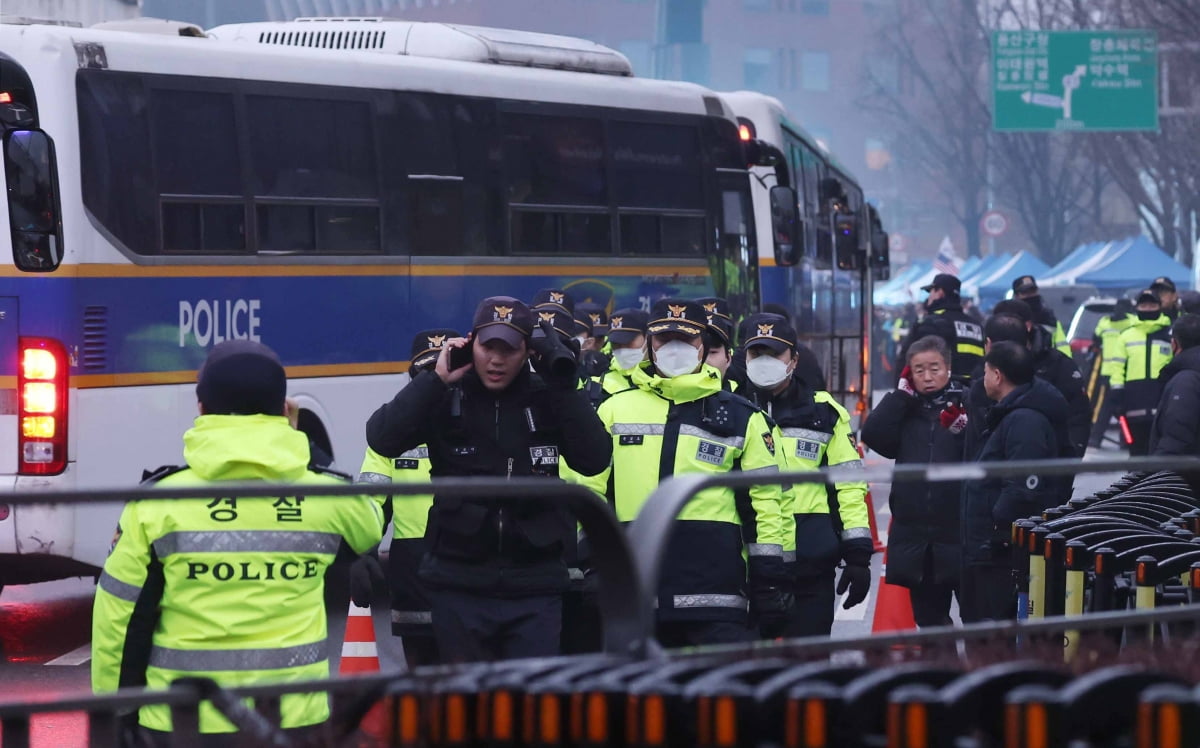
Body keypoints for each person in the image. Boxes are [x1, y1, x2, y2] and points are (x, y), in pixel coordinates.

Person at [92, 341, 384, 744]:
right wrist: (304, 449)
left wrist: (117, 711)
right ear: (286, 410)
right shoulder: (326, 498)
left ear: (200, 410)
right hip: (294, 719)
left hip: (180, 724)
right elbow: (369, 525)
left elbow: (119, 621)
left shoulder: (157, 504)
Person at [365, 296, 612, 662]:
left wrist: (564, 385)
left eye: (509, 349)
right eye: (488, 347)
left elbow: (594, 459)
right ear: (470, 343)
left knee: (529, 707)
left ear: (528, 350)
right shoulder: (448, 393)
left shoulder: (547, 397)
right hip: (458, 582)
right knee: (470, 707)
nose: (496, 360)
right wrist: (434, 380)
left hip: (535, 583)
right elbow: (382, 438)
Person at [578, 299, 792, 647]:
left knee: (713, 698)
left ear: (702, 346)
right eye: (664, 340)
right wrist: (591, 563)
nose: (674, 349)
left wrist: (769, 581)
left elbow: (767, 504)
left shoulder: (743, 418)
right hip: (634, 593)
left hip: (716, 599)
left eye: (686, 340)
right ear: (649, 346)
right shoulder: (613, 410)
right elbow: (588, 491)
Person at [741, 312, 872, 637]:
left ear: (794, 360)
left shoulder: (824, 413)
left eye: (774, 353)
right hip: (748, 568)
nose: (765, 361)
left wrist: (858, 555)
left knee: (810, 665)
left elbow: (849, 486)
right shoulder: (730, 409)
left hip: (811, 565)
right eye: (757, 353)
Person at [356, 328, 459, 668]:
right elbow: (372, 497)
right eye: (424, 372)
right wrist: (363, 550)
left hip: (469, 566)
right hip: (413, 573)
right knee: (422, 684)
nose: (434, 381)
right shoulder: (393, 429)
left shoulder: (482, 418)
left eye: (440, 369)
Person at [961, 341, 1069, 623]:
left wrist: (996, 529)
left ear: (997, 375)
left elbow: (1022, 487)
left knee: (993, 631)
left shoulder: (1025, 421)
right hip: (992, 548)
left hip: (1000, 553)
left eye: (985, 371)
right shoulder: (1012, 413)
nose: (982, 379)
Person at [861, 335, 965, 627]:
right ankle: (941, 671)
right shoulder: (905, 408)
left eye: (934, 368)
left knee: (976, 616)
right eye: (919, 371)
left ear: (948, 367)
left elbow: (986, 453)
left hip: (959, 532)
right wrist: (900, 397)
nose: (928, 377)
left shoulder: (968, 401)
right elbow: (874, 435)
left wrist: (964, 432)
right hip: (917, 536)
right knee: (929, 619)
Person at [990, 300, 1090, 456]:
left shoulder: (1057, 365)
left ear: (1027, 326)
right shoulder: (989, 364)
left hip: (1049, 462)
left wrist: (1070, 460)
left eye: (1009, 322)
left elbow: (1078, 415)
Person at [1109, 290, 1174, 456]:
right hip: (1133, 403)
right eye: (1143, 305)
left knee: (1160, 454)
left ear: (1159, 307)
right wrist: (1116, 395)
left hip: (1162, 403)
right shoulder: (1126, 336)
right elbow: (1117, 368)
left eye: (1152, 304)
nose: (1147, 308)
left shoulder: (1170, 334)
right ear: (1136, 307)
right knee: (1136, 455)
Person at [899, 273, 984, 381]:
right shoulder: (977, 326)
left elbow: (907, 361)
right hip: (972, 392)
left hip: (940, 393)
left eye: (931, 292)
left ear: (939, 293)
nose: (929, 297)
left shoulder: (931, 323)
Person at [1149, 314, 1200, 456]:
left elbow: (1176, 439)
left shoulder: (1186, 381)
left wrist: (1152, 473)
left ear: (1174, 344)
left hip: (1187, 474)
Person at [1089, 299, 1134, 448]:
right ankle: (1125, 440)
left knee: (1106, 409)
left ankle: (1096, 438)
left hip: (1110, 373)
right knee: (1122, 409)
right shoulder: (1132, 321)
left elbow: (1095, 339)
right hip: (1124, 373)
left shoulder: (1104, 322)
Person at [583, 307, 649, 408]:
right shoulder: (597, 385)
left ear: (648, 338)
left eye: (628, 342)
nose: (622, 349)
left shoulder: (666, 379)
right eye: (616, 344)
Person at [1011, 275, 1069, 355]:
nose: (1030, 294)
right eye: (1025, 292)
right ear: (1016, 296)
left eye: (1033, 290)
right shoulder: (1009, 319)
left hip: (1046, 364)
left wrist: (1065, 364)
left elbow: (1062, 346)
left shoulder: (1049, 318)